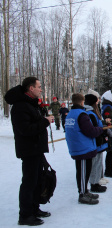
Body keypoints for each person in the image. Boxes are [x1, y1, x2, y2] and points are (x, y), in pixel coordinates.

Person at [5, 77, 54, 226]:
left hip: (36, 149)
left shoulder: (30, 104)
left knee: (38, 180)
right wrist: (45, 121)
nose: (41, 89)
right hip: (29, 150)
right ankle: (25, 215)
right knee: (29, 182)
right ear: (30, 88)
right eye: (39, 87)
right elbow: (25, 130)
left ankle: (34, 208)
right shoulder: (20, 106)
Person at [65, 93, 103, 205]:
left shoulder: (70, 114)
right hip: (82, 148)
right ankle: (82, 194)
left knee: (85, 171)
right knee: (82, 172)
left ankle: (85, 191)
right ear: (82, 102)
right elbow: (90, 131)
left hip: (78, 146)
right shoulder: (81, 115)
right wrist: (100, 130)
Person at [84, 93, 110, 193]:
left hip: (97, 142)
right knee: (95, 163)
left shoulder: (92, 112)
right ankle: (94, 184)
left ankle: (97, 181)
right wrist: (104, 130)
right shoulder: (90, 113)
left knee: (98, 162)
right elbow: (95, 128)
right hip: (96, 142)